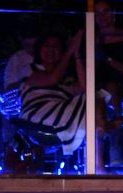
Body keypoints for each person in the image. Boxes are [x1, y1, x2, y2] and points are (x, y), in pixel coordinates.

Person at [19, 30, 86, 159]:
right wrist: (69, 51)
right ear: (39, 49)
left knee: (93, 99)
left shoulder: (66, 80)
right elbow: (52, 79)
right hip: (37, 118)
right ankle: (104, 128)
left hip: (63, 116)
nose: (51, 49)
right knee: (90, 105)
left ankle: (99, 159)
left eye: (56, 46)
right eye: (47, 45)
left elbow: (84, 87)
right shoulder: (31, 71)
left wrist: (76, 55)